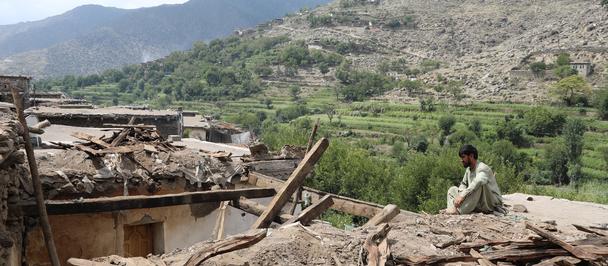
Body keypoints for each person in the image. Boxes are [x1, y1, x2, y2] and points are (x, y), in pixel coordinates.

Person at [444, 144, 505, 215]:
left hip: (491, 202)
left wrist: (462, 195)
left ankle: (459, 211)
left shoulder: (482, 168)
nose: (461, 160)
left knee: (478, 186)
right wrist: (460, 194)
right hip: (477, 201)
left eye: (463, 157)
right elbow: (464, 184)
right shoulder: (468, 169)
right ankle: (452, 208)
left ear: (471, 156)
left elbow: (478, 182)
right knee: (452, 189)